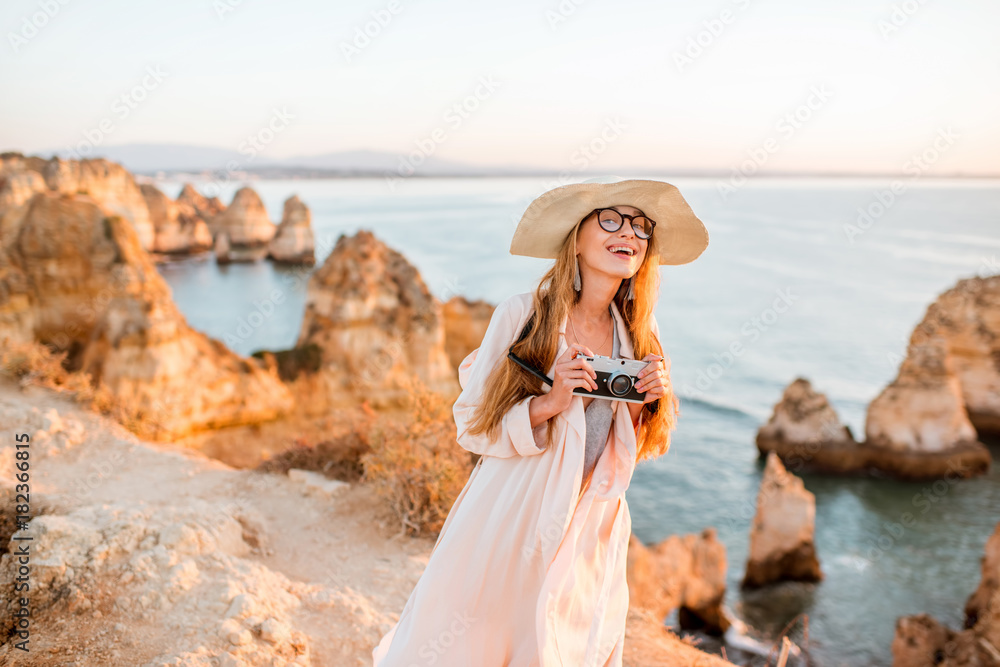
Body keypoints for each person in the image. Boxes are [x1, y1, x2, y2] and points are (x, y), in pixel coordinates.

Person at [372, 177, 709, 666]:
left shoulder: (640, 331)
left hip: (592, 513)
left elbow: (633, 444)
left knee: (568, 643)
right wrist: (552, 401)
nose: (630, 234)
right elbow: (470, 424)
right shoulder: (522, 316)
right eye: (611, 220)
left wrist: (647, 401)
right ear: (577, 238)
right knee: (476, 638)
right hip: (516, 505)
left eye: (641, 227)